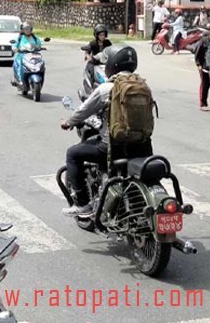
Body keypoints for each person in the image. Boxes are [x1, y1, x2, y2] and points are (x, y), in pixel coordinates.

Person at [59, 45, 152, 215]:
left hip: (112, 148)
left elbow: (83, 111)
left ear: (112, 65)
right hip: (142, 145)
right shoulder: (143, 85)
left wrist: (69, 122)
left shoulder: (107, 88)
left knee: (72, 154)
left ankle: (82, 203)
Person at [194, 20, 210, 111]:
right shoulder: (204, 40)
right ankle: (203, 103)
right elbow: (197, 53)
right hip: (204, 66)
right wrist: (198, 64)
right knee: (205, 84)